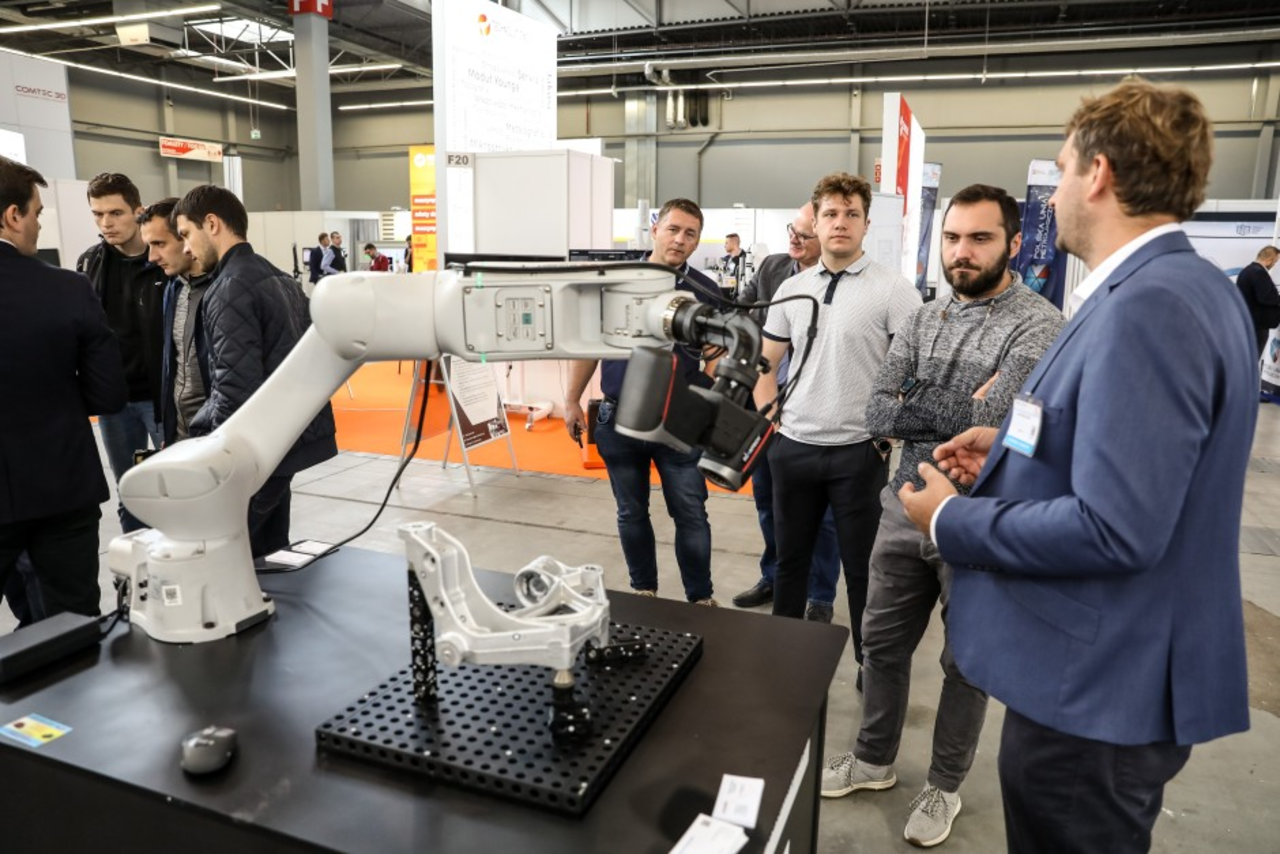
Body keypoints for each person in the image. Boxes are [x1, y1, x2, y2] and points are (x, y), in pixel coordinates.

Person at [899, 79, 1255, 853]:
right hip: (1104, 677)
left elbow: (1117, 528)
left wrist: (951, 520)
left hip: (1099, 690)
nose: (1053, 194)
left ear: (1098, 174)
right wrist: (1013, 448)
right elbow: (1145, 459)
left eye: (1061, 170)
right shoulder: (1175, 286)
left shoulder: (1151, 304)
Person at [821, 184, 1065, 848]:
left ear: (1014, 243)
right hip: (903, 506)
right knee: (881, 645)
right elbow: (877, 409)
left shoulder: (1038, 323)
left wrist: (921, 398)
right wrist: (962, 404)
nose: (962, 251)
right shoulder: (924, 317)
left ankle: (944, 785)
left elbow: (1000, 419)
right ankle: (873, 760)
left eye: (980, 238)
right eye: (953, 237)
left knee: (967, 662)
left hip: (979, 520)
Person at [753, 173, 921, 666]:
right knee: (790, 562)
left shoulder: (894, 290)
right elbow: (765, 362)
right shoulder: (792, 288)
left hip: (858, 453)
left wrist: (887, 428)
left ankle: (870, 666)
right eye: (830, 213)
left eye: (851, 214)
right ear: (816, 223)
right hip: (794, 448)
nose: (840, 223)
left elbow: (915, 370)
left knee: (863, 569)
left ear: (866, 224)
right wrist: (771, 421)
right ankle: (782, 658)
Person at [563, 198, 718, 605]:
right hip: (618, 418)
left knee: (691, 512)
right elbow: (589, 345)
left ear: (697, 241)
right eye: (673, 229)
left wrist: (706, 399)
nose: (680, 239)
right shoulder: (616, 282)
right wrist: (571, 399)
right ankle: (643, 591)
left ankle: (701, 598)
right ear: (655, 230)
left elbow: (716, 355)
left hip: (679, 422)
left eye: (690, 234)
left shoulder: (706, 290)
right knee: (631, 511)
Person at [174, 185, 338, 558]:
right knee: (271, 556)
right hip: (284, 445)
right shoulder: (278, 277)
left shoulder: (230, 288)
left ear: (211, 224)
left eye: (186, 234)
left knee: (225, 562)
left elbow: (235, 389)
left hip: (255, 454)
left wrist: (213, 455)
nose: (185, 248)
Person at [0, 156, 128, 620]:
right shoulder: (69, 289)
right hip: (62, 488)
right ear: (12, 216)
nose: (38, 225)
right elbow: (108, 395)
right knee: (70, 628)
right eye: (36, 213)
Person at [732, 203, 843, 623]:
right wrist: (763, 339)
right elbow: (741, 311)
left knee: (824, 515)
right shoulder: (773, 267)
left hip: (817, 408)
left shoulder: (841, 283)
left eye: (803, 235)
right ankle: (775, 577)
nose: (793, 239)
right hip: (765, 404)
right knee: (767, 501)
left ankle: (820, 597)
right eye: (791, 230)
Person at [76, 172, 165, 532]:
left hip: (161, 400)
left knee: (174, 491)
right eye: (98, 214)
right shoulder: (89, 264)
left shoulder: (162, 261)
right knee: (130, 493)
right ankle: (137, 562)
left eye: (115, 213)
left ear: (138, 211)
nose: (106, 223)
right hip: (115, 403)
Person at [137, 198, 214, 447]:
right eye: (149, 246)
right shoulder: (174, 288)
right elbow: (173, 369)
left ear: (186, 236)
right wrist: (171, 432)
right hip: (182, 435)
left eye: (159, 244)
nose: (152, 257)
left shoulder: (224, 291)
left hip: (217, 437)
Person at [1236, 245, 1280, 359]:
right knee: (1252, 359)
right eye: (1275, 261)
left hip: (1248, 323)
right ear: (1269, 259)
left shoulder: (1247, 271)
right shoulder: (1259, 272)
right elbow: (1266, 297)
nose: (1274, 264)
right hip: (1257, 326)